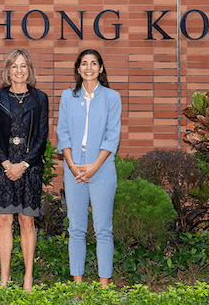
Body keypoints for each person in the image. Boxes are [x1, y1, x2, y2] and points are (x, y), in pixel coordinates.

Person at [56, 49, 121, 286]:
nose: (89, 67)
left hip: (101, 168)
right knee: (76, 229)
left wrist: (93, 167)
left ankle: (104, 287)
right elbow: (62, 133)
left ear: (101, 68)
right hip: (73, 169)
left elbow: (112, 137)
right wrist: (72, 166)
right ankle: (78, 286)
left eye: (94, 63)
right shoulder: (67, 96)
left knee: (103, 228)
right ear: (78, 69)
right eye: (84, 63)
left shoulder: (112, 97)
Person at [0, 49, 48, 290]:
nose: (19, 71)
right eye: (14, 66)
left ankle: (28, 278)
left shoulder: (40, 98)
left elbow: (42, 136)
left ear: (29, 70)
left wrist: (23, 164)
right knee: (3, 220)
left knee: (26, 221)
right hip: (3, 167)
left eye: (23, 66)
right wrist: (5, 163)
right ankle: (4, 277)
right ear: (7, 70)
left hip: (29, 168)